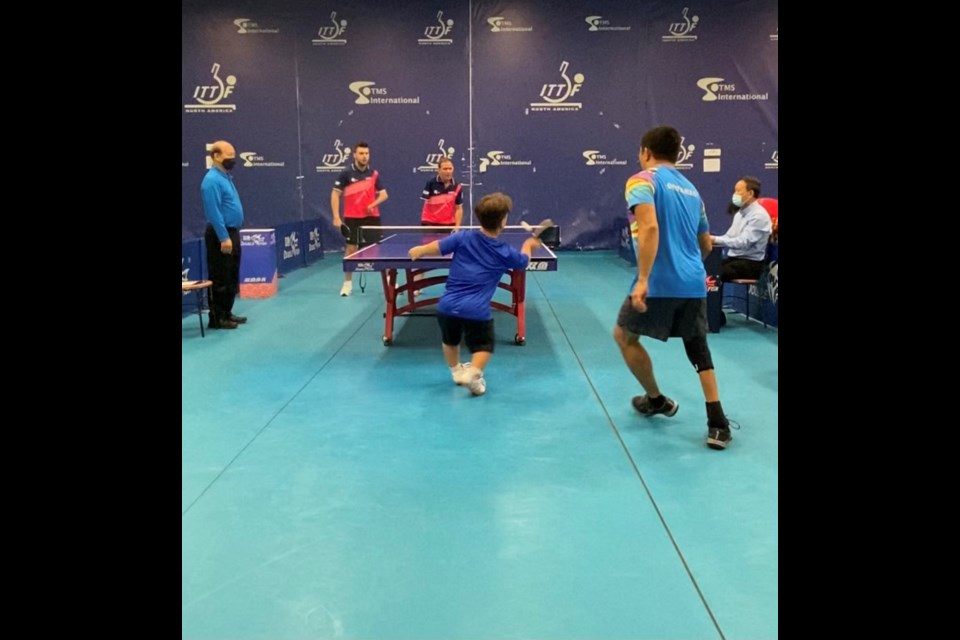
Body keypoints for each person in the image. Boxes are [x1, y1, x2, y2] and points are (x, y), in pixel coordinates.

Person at [613, 126, 733, 450]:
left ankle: (655, 399)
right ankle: (718, 424)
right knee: (698, 349)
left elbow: (649, 226)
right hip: (694, 282)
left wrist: (643, 279)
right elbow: (705, 243)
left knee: (624, 336)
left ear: (645, 152)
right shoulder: (693, 191)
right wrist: (687, 261)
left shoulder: (642, 179)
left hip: (659, 281)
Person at [408, 192, 541, 397]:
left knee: (449, 342)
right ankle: (473, 374)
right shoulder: (505, 251)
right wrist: (529, 245)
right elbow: (523, 262)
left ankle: (456, 371)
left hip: (446, 306)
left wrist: (421, 250)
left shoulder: (463, 236)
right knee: (484, 346)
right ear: (503, 221)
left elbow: (438, 247)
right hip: (476, 311)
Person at [331, 142, 389, 296]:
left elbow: (384, 194)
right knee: (351, 249)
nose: (364, 156)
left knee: (378, 249)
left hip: (372, 218)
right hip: (352, 217)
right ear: (354, 155)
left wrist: (373, 204)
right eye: (361, 153)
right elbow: (335, 194)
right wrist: (336, 216)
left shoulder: (374, 174)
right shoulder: (346, 173)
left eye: (367, 153)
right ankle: (348, 283)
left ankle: (389, 281)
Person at [201, 140, 247, 330]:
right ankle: (217, 318)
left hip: (232, 232)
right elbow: (213, 212)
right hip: (221, 235)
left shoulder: (226, 177)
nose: (232, 159)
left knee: (231, 275)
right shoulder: (211, 181)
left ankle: (226, 312)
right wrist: (223, 237)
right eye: (229, 155)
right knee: (220, 276)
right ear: (216, 156)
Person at [712, 176, 772, 281]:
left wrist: (715, 239)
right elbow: (729, 237)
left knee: (715, 274)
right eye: (734, 191)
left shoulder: (759, 216)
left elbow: (743, 243)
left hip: (751, 264)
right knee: (707, 268)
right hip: (734, 260)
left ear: (750, 194)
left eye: (738, 191)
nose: (734, 195)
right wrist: (710, 240)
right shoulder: (739, 214)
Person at [420, 157, 463, 230]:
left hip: (449, 224)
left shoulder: (457, 186)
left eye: (450, 168)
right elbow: (425, 204)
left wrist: (457, 226)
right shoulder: (430, 183)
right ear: (439, 170)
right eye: (445, 169)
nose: (448, 171)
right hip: (430, 223)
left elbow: (459, 208)